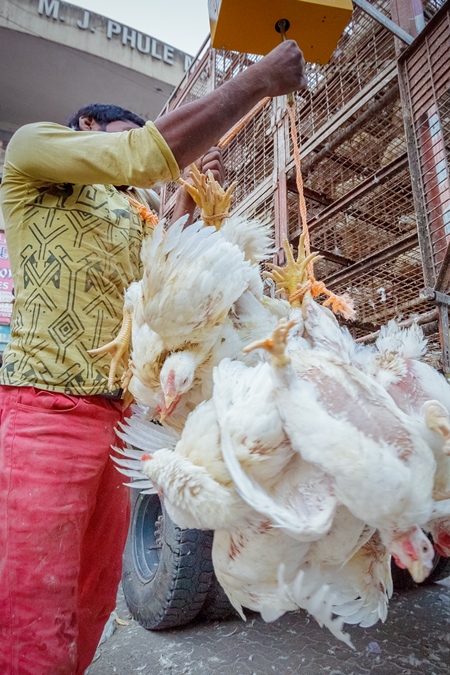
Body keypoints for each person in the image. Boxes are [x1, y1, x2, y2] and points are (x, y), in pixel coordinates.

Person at [0, 39, 307, 674]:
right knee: (30, 616)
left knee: (87, 608)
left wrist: (194, 198)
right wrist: (251, 84)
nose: (137, 147)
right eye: (126, 132)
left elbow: (164, 264)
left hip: (117, 428)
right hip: (45, 415)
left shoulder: (131, 209)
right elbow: (140, 156)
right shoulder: (35, 151)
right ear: (88, 126)